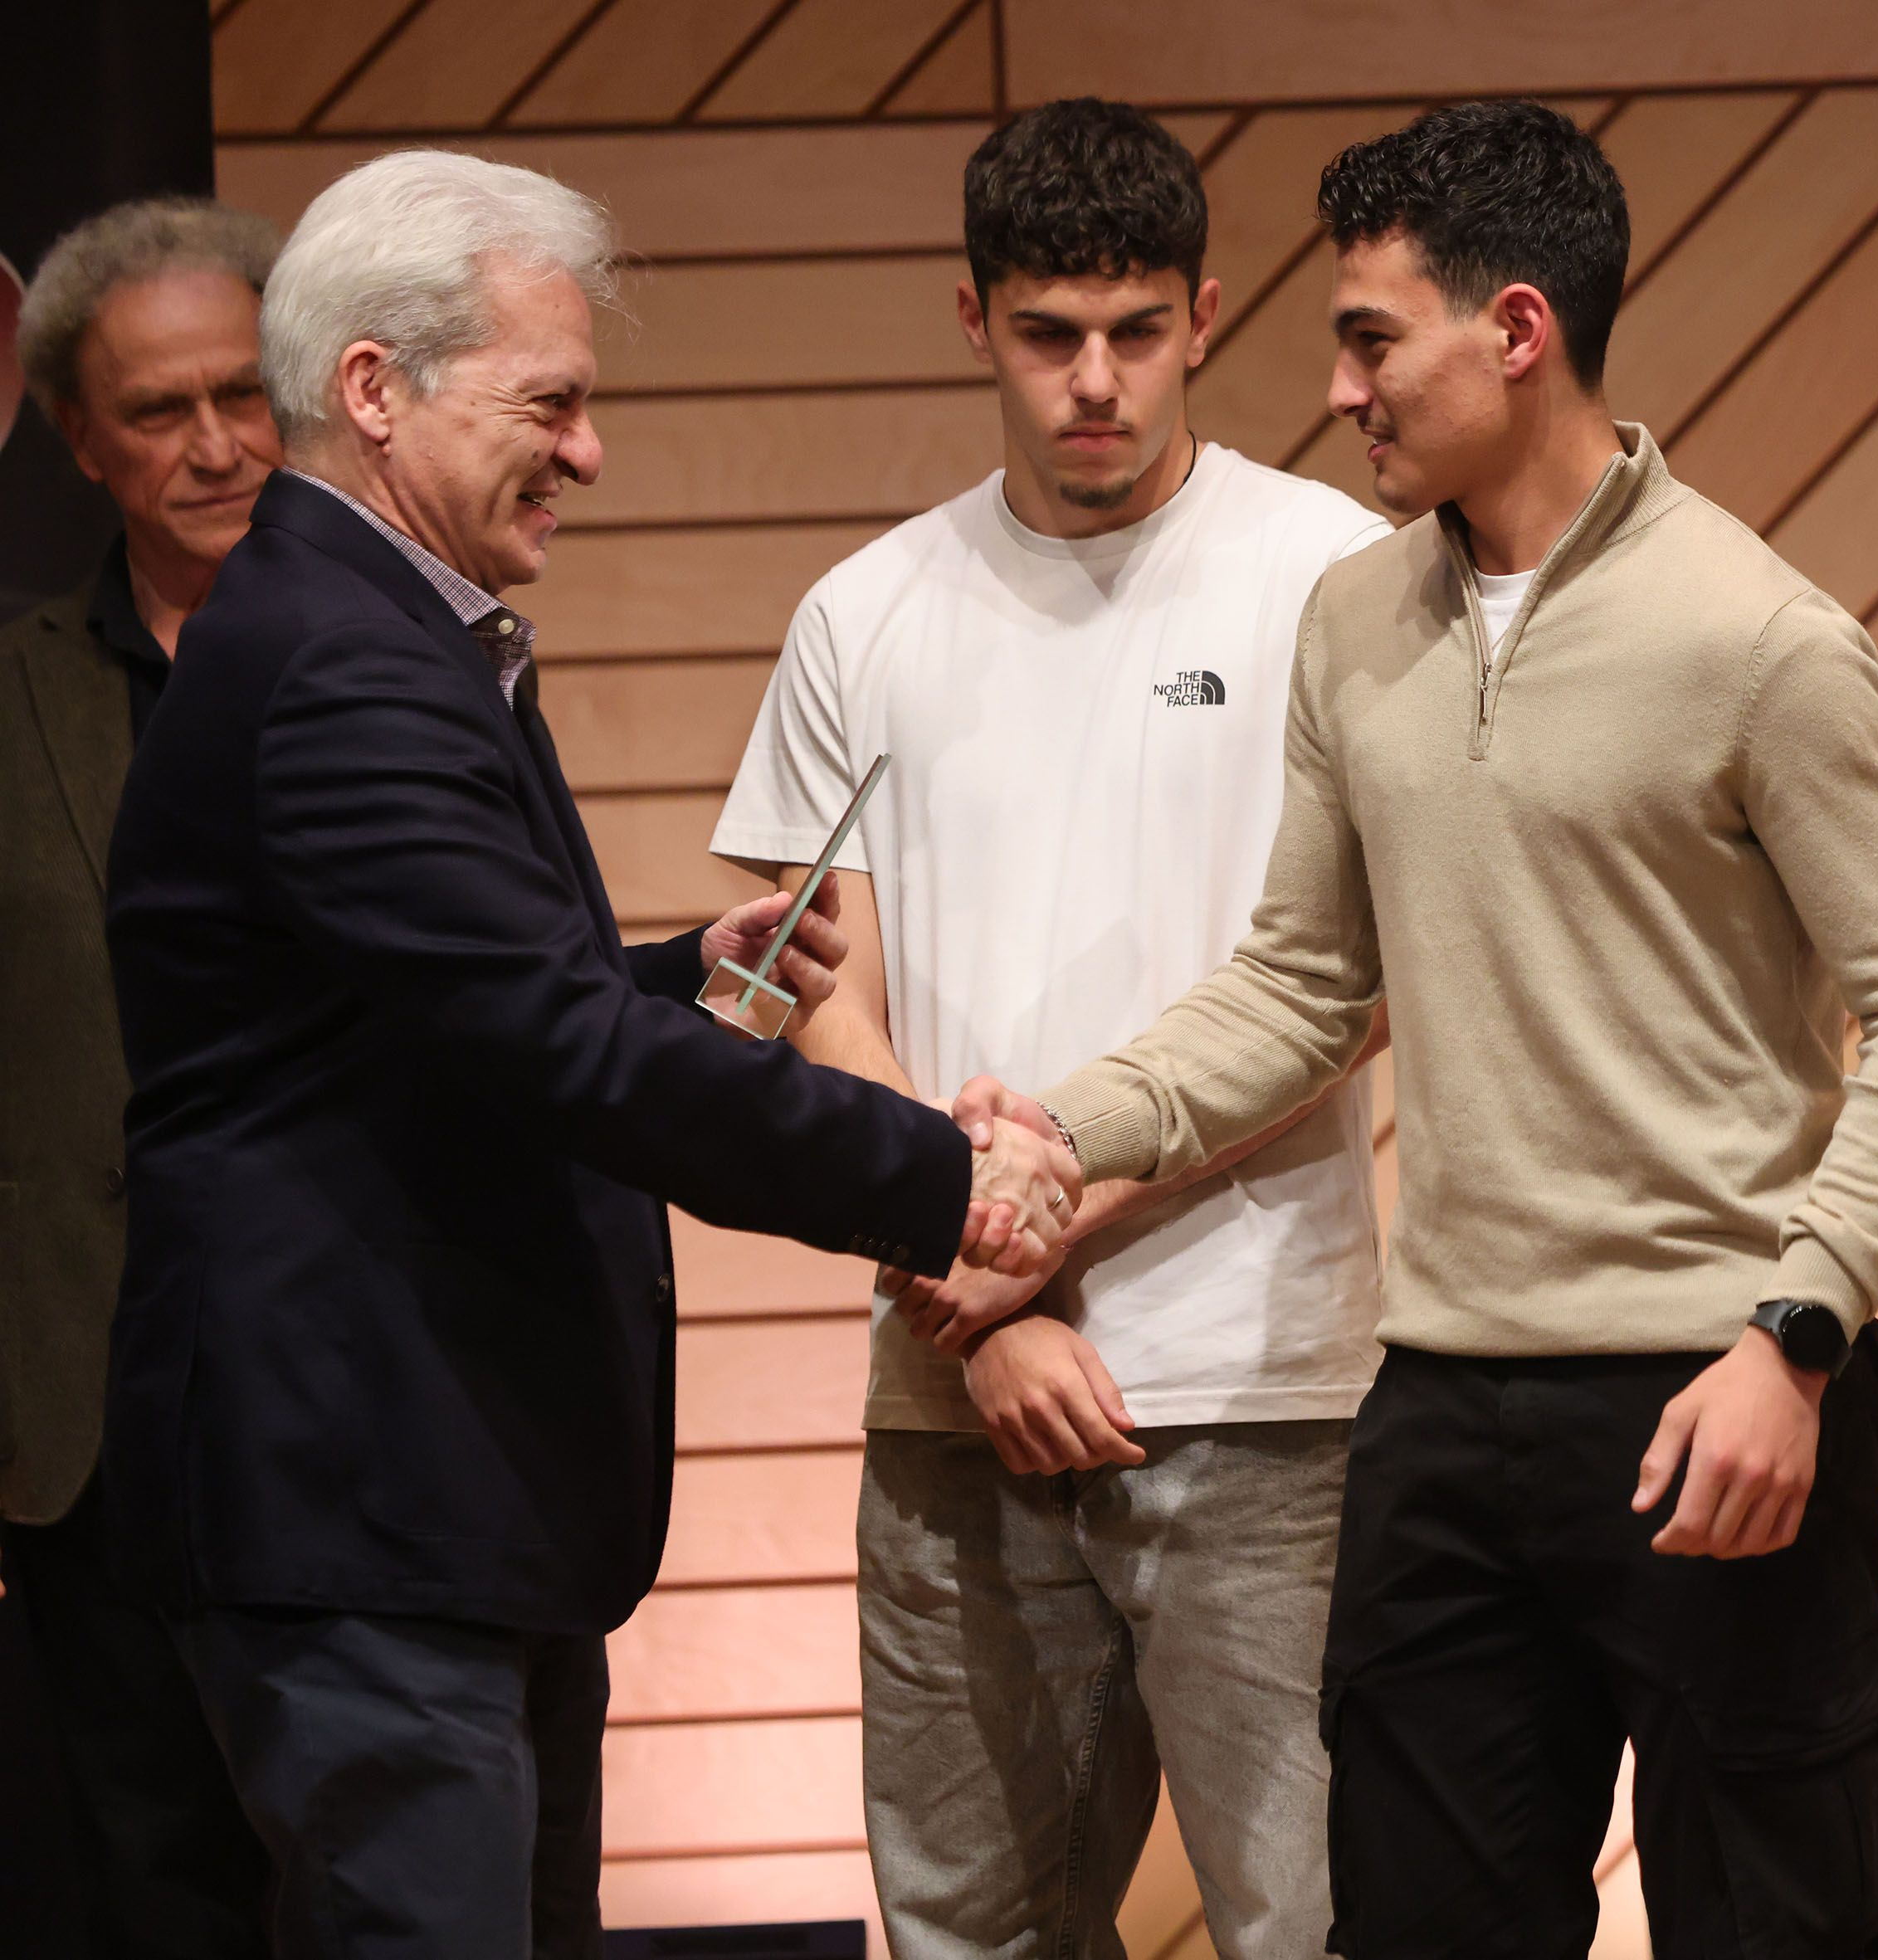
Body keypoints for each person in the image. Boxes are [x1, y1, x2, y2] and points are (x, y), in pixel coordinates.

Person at [946, 101, 1878, 1955]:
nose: (1338, 388)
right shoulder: (1354, 619)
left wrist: (1799, 1333)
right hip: (1436, 1409)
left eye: (1371, 340)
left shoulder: (1755, 635)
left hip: (1724, 1386)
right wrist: (1055, 1130)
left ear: (1516, 330)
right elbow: (1301, 983)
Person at [97, 149, 1078, 1959]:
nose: (590, 450)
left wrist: (671, 977)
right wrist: (946, 1179)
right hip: (366, 1501)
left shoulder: (370, 629)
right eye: (548, 403)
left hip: (439, 1504)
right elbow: (553, 1048)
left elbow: (428, 1014)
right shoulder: (340, 659)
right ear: (375, 388)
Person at [710, 100, 1390, 1960]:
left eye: (1137, 329)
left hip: (1262, 1390)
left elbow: (1357, 984)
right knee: (967, 1933)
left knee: (1313, 1925)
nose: (1094, 381)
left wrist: (1043, 1229)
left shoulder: (1334, 573)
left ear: (1205, 314)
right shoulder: (864, 611)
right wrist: (982, 1294)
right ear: (973, 318)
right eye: (1046, 333)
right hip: (948, 1390)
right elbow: (814, 988)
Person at [0, 194, 280, 1960]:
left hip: (359, 1408)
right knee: (158, 1901)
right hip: (90, 1430)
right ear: (77, 436)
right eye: (161, 410)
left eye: (242, 394)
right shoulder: (8, 691)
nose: (214, 445)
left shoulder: (432, 669)